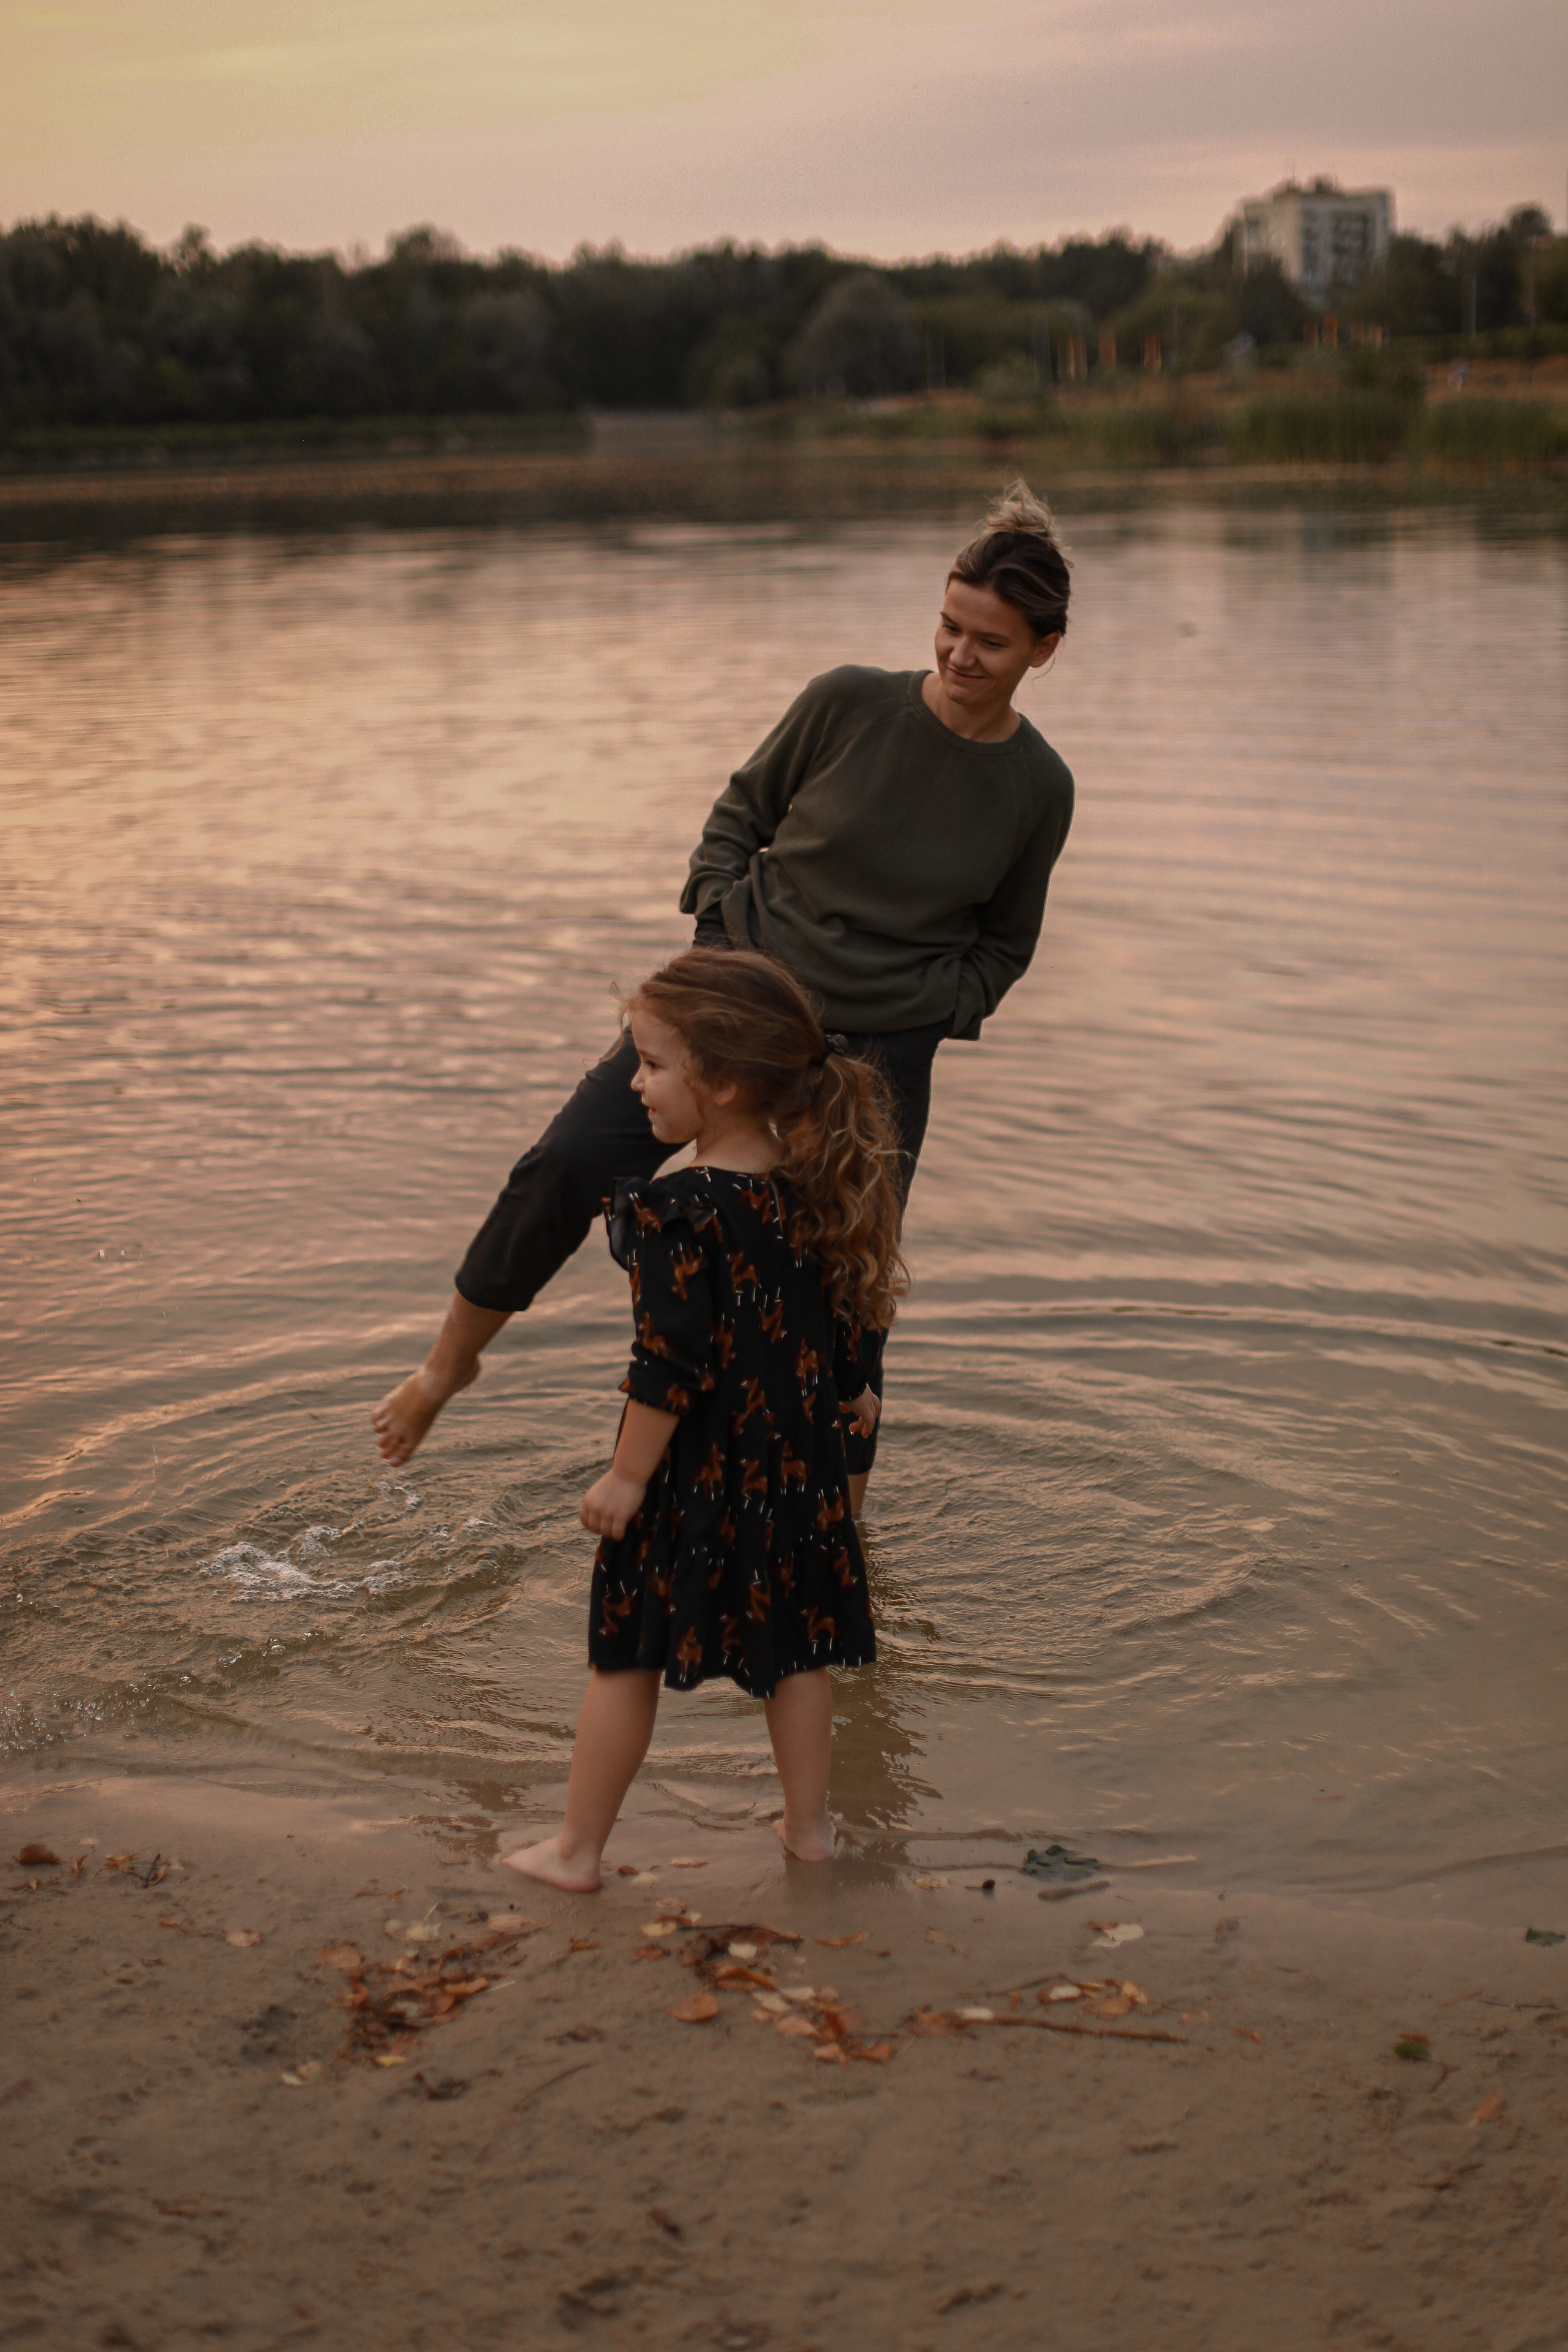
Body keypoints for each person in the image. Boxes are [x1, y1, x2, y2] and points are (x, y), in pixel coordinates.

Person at [372, 478, 1075, 1507]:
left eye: (993, 642)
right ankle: (447, 1369)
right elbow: (738, 816)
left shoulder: (1039, 787)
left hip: (876, 1059)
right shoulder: (845, 701)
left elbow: (1006, 947)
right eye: (949, 626)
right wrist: (718, 931)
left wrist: (926, 1013)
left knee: (851, 1300)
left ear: (1042, 651)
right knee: (567, 1161)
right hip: (736, 998)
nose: (961, 656)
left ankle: (844, 1552)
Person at [502, 949, 905, 1889]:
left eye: (650, 1064)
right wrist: (851, 1390)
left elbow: (670, 1362)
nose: (635, 1085)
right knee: (800, 1649)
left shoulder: (677, 1210)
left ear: (719, 1083)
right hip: (796, 1466)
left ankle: (576, 1852)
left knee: (624, 1654)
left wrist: (628, 1475)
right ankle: (810, 1833)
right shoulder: (812, 1191)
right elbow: (841, 1310)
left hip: (692, 1472)